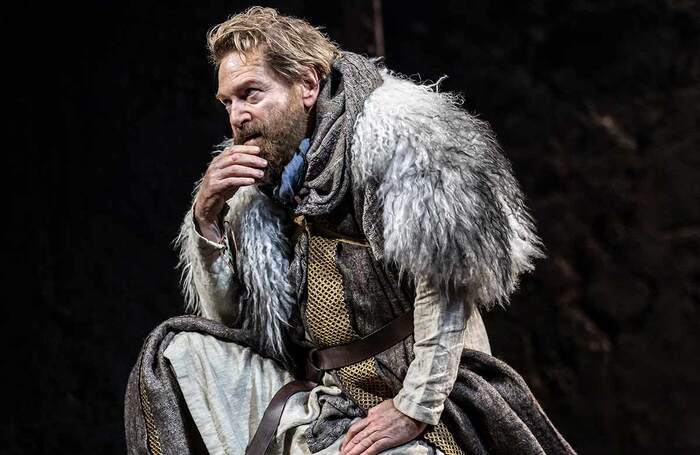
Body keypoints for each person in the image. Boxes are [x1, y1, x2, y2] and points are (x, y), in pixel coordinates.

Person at [125, 6, 576, 455]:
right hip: (326, 396)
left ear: (306, 84)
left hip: (424, 386)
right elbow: (232, 325)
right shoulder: (258, 182)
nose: (237, 116)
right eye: (228, 101)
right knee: (176, 350)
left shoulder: (395, 144)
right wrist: (207, 219)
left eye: (251, 94)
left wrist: (414, 408)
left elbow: (446, 286)